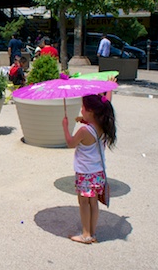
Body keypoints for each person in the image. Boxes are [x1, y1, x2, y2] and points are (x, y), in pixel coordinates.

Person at [62, 93, 117, 244]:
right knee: (93, 203)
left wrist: (65, 127)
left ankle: (85, 235)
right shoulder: (102, 125)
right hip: (97, 172)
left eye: (83, 108)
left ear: (91, 111)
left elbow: (70, 143)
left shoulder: (84, 131)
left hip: (85, 173)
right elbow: (106, 103)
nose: (81, 110)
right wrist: (109, 92)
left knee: (83, 203)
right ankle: (92, 233)